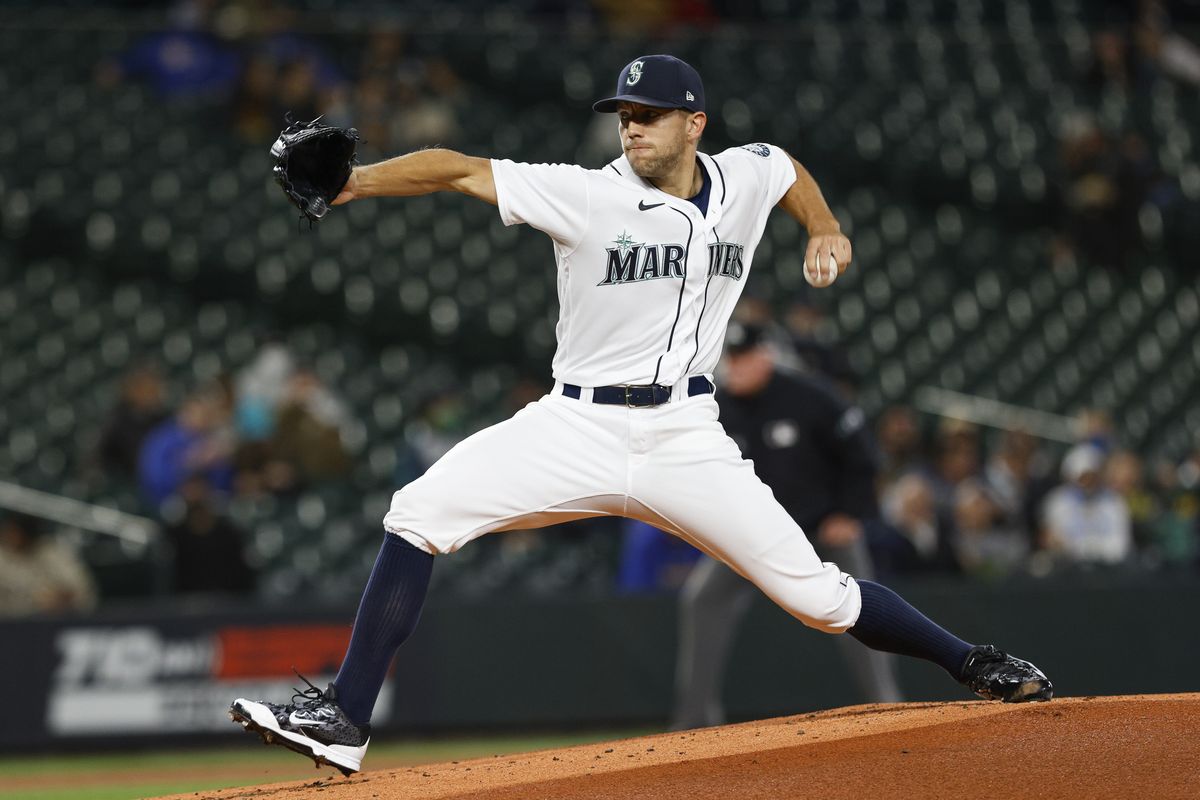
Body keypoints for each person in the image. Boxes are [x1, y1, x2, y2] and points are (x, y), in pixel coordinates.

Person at [230, 54, 1052, 776]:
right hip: (573, 425)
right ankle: (345, 718)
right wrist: (354, 184)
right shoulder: (585, 194)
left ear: (694, 124)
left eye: (648, 117)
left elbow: (789, 168)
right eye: (624, 117)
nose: (632, 130)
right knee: (416, 512)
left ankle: (972, 662)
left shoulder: (743, 176)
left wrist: (825, 226)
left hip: (686, 437)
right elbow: (455, 167)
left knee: (820, 599)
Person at [672, 321, 901, 731]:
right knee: (703, 598)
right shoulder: (718, 406)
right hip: (754, 535)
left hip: (820, 532)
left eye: (743, 358)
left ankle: (887, 706)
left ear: (767, 356)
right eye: (731, 359)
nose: (734, 367)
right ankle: (695, 720)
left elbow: (863, 458)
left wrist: (849, 513)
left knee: (859, 608)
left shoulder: (810, 396)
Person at [0, 513, 97, 617]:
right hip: (9, 623)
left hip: (56, 621)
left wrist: (55, 597)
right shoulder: (3, 555)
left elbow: (78, 589)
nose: (8, 535)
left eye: (14, 532)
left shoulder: (51, 552)